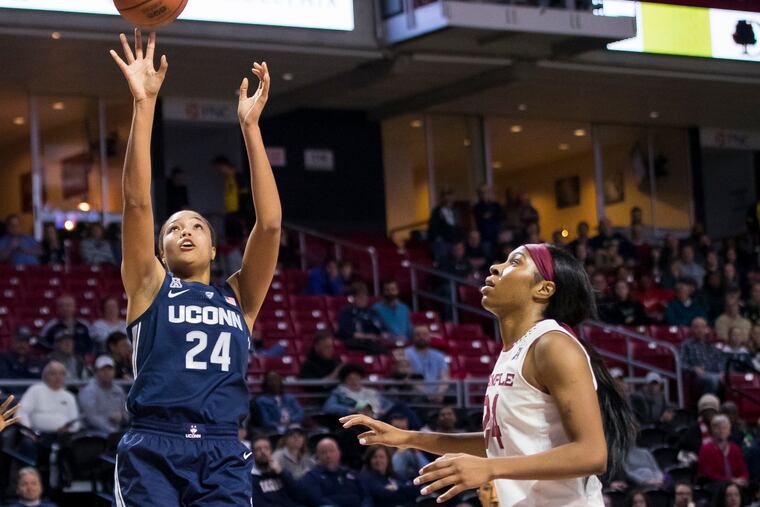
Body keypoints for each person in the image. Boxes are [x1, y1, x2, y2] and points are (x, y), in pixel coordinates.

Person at [109, 30, 280, 506]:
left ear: (212, 249)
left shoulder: (239, 297)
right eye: (174, 228)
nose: (185, 230)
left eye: (198, 226)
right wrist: (144, 105)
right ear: (161, 252)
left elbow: (268, 226)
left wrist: (250, 128)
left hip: (223, 446)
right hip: (152, 445)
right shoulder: (148, 285)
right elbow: (138, 202)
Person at [341, 243, 636, 505]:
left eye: (515, 262)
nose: (496, 266)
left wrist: (491, 468)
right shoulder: (514, 350)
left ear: (543, 289)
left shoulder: (552, 344)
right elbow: (500, 444)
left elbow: (592, 454)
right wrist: (407, 438)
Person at [324, 364, 421, 428]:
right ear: (345, 381)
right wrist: (350, 410)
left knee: (400, 406)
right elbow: (329, 407)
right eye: (350, 379)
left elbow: (388, 404)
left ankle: (418, 428)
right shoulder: (340, 392)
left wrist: (384, 409)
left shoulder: (370, 391)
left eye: (356, 378)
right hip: (360, 420)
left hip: (379, 417)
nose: (354, 381)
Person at [299, 437, 371, 507]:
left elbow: (366, 496)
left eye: (331, 451)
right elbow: (317, 500)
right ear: (317, 456)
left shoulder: (352, 474)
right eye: (323, 452)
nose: (328, 456)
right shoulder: (311, 477)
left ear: (339, 453)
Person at [17, 361, 80, 434]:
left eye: (61, 374)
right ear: (45, 376)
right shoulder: (35, 390)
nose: (58, 377)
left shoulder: (69, 396)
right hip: (38, 435)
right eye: (53, 374)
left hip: (64, 436)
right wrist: (28, 432)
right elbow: (21, 413)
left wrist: (69, 430)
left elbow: (75, 423)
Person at [250, 435, 305, 507]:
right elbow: (259, 504)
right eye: (258, 449)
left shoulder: (279, 471)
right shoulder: (251, 478)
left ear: (271, 451)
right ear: (253, 454)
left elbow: (298, 494)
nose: (263, 452)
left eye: (266, 448)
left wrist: (282, 472)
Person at [78, 355, 128, 433]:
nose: (107, 372)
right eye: (103, 370)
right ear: (96, 372)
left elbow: (126, 413)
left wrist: (122, 417)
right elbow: (92, 418)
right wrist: (112, 431)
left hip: (118, 430)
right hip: (94, 432)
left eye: (110, 369)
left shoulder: (119, 390)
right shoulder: (88, 391)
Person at [337, 282, 389, 355]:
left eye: (365, 296)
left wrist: (383, 335)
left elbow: (383, 329)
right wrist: (364, 336)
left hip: (372, 342)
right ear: (353, 298)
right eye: (361, 297)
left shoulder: (373, 313)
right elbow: (343, 332)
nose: (364, 299)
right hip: (354, 342)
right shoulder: (346, 312)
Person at [698, 414, 749, 485]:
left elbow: (743, 470)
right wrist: (731, 481)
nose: (721, 431)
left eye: (724, 428)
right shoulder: (706, 449)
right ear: (712, 430)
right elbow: (709, 474)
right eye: (718, 428)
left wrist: (743, 479)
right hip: (714, 486)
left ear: (729, 430)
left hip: (736, 486)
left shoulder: (735, 448)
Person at [404, 326, 450, 403]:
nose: (421, 337)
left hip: (437, 392)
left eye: (425, 334)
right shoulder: (405, 353)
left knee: (453, 397)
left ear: (429, 337)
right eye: (418, 335)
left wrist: (439, 392)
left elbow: (444, 377)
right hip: (417, 392)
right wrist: (428, 394)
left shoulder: (439, 355)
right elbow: (408, 379)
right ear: (413, 337)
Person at [680, 317, 726, 395]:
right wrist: (693, 369)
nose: (700, 330)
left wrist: (722, 372)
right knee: (713, 379)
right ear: (692, 329)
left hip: (714, 373)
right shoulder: (686, 345)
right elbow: (681, 364)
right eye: (697, 327)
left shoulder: (711, 345)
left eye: (702, 327)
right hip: (697, 377)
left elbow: (719, 361)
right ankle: (707, 405)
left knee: (731, 380)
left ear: (706, 329)